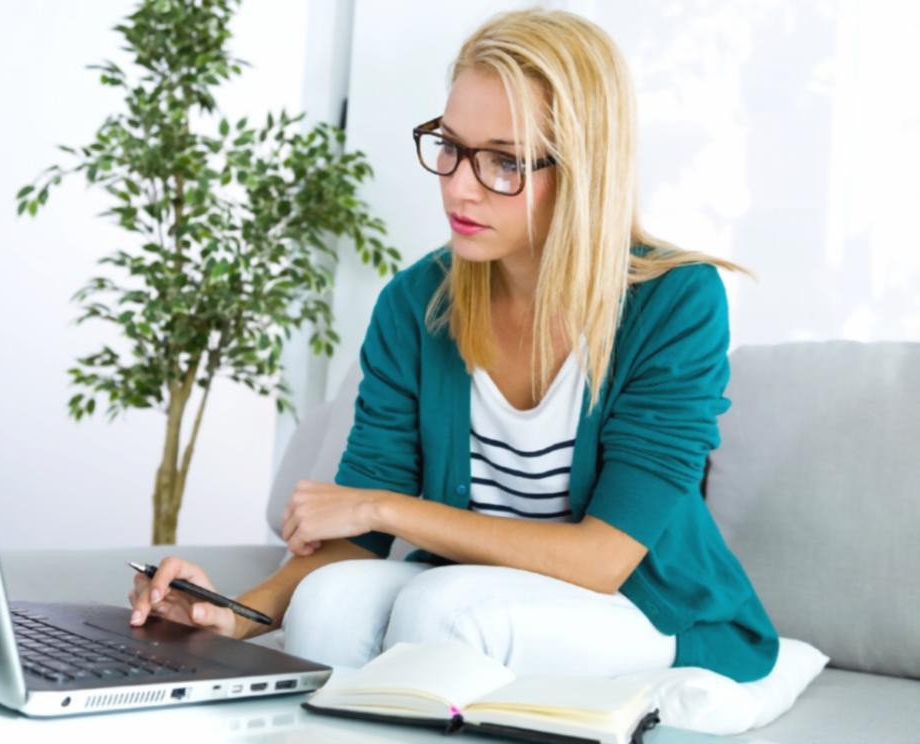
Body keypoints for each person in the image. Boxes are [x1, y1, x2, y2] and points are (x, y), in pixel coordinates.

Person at [128, 7, 781, 684]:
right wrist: (231, 617)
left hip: (638, 607)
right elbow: (356, 537)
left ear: (585, 169)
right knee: (327, 603)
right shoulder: (416, 304)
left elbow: (602, 559)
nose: (458, 185)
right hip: (477, 591)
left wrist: (385, 507)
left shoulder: (676, 302)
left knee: (441, 609)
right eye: (450, 145)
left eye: (505, 161)